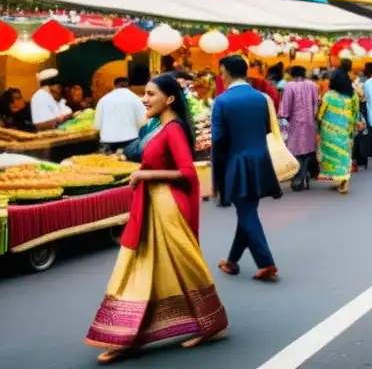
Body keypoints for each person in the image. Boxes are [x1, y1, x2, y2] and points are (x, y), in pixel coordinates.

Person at [85, 74, 228, 362]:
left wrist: (145, 173)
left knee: (184, 265)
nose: (145, 99)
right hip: (151, 204)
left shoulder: (173, 128)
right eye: (145, 93)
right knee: (141, 268)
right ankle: (127, 334)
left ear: (170, 99)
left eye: (151, 94)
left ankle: (212, 321)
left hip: (168, 207)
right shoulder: (157, 126)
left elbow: (188, 173)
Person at [212, 55, 281, 282]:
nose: (221, 76)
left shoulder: (222, 101)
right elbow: (266, 129)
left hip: (235, 162)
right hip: (260, 159)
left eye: (222, 72)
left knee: (247, 213)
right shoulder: (260, 98)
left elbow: (218, 140)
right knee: (248, 211)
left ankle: (266, 262)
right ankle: (232, 261)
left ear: (228, 73)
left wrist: (216, 177)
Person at [318, 68, 362, 194]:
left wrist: (318, 127)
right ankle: (343, 179)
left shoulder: (328, 96)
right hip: (345, 129)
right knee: (345, 154)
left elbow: (320, 114)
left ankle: (340, 178)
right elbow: (355, 111)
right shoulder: (352, 95)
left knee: (332, 155)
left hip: (329, 132)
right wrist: (355, 123)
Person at [278, 65, 321, 191]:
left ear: (291, 74)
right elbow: (316, 103)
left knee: (295, 150)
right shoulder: (313, 85)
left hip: (294, 123)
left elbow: (285, 108)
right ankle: (307, 172)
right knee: (308, 149)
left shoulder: (289, 86)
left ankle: (298, 177)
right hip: (309, 122)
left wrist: (282, 116)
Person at [94, 77, 147, 154]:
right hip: (130, 141)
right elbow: (143, 121)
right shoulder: (135, 99)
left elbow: (97, 125)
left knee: (108, 165)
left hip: (107, 142)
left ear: (114, 85)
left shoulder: (103, 100)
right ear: (129, 86)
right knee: (130, 165)